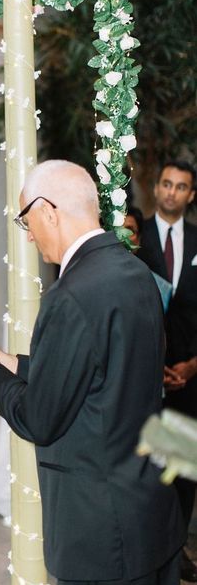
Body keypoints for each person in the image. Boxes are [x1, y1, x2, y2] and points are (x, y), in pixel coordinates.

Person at [0, 160, 185, 585]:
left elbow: (39, 419)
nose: (28, 234)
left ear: (48, 210)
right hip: (152, 513)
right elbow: (102, 374)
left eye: (26, 220)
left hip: (101, 532)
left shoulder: (71, 295)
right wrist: (10, 362)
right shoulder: (136, 274)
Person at [137, 159, 197, 582]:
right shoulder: (133, 237)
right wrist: (152, 364)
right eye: (166, 184)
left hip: (190, 374)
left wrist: (193, 365)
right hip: (144, 373)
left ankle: (177, 552)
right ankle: (153, 550)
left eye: (181, 187)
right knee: (148, 467)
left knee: (185, 469)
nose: (172, 192)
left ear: (191, 195)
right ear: (156, 188)